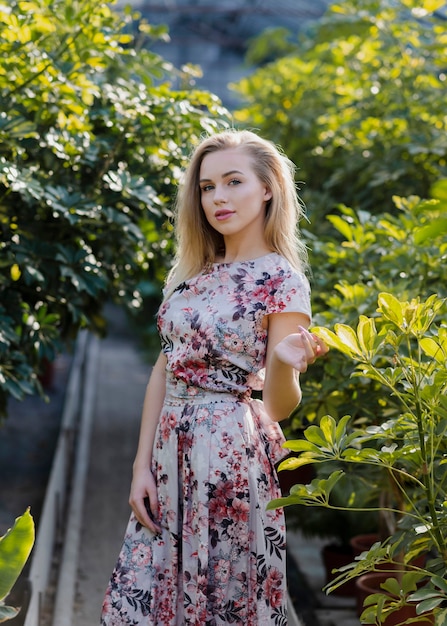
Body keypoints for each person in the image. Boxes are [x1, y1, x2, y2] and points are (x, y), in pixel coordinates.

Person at [101, 129, 327, 626]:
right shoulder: (194, 273)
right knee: (140, 602)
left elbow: (277, 407)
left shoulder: (283, 279)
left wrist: (286, 362)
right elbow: (164, 370)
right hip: (168, 455)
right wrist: (142, 467)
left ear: (267, 188)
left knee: (226, 600)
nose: (218, 197)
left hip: (230, 455)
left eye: (233, 181)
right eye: (206, 187)